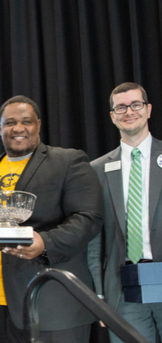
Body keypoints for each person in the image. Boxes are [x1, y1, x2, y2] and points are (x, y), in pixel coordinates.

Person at [0, 95, 104, 343]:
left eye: (26, 121)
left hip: (54, 305)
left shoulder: (68, 161)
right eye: (9, 123)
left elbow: (88, 218)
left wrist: (45, 243)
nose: (18, 128)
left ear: (38, 125)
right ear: (0, 129)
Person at [89, 82, 162, 342]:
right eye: (120, 107)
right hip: (122, 289)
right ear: (112, 116)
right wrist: (98, 295)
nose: (129, 111)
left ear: (148, 109)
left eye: (136, 105)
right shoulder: (96, 170)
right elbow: (94, 239)